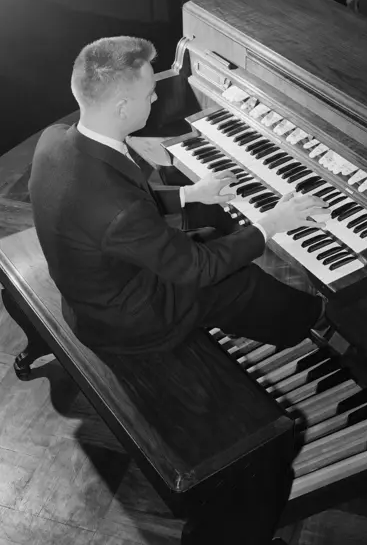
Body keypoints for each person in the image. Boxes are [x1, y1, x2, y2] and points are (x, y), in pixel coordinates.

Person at [28, 36, 331, 545]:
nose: (154, 100)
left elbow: (119, 208)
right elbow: (193, 268)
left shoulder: (56, 140)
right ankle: (312, 322)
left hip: (93, 294)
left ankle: (292, 318)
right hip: (131, 325)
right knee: (232, 277)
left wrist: (190, 192)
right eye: (149, 93)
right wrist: (269, 225)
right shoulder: (115, 207)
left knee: (214, 239)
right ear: (122, 104)